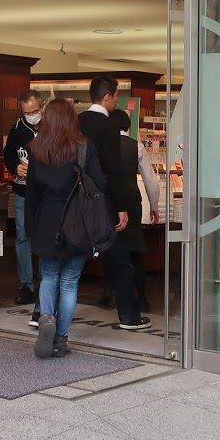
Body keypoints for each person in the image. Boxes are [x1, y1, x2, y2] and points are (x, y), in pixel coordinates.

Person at [25, 98, 108, 359]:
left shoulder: (37, 148)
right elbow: (101, 184)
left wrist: (30, 228)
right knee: (70, 282)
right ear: (73, 119)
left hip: (47, 221)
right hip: (78, 223)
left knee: (49, 276)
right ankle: (60, 339)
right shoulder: (83, 147)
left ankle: (46, 319)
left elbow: (32, 194)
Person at [77, 76, 150, 330]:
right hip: (105, 201)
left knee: (70, 258)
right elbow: (114, 171)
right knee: (120, 258)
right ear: (107, 97)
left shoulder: (76, 122)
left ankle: (47, 312)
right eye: (116, 95)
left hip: (77, 201)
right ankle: (129, 315)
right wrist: (121, 207)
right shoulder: (108, 127)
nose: (116, 100)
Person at [113, 108, 161, 307]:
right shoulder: (136, 146)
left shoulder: (103, 146)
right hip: (132, 200)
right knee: (134, 250)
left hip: (110, 201)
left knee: (111, 248)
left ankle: (111, 293)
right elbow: (150, 179)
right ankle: (141, 297)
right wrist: (154, 205)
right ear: (128, 126)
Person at [2, 90, 43, 312]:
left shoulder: (51, 127)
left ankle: (46, 282)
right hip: (22, 190)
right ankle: (26, 285)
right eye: (27, 112)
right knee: (22, 237)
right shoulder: (18, 129)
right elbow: (8, 154)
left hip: (45, 193)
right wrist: (14, 167)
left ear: (42, 107)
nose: (32, 115)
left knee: (45, 235)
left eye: (35, 111)